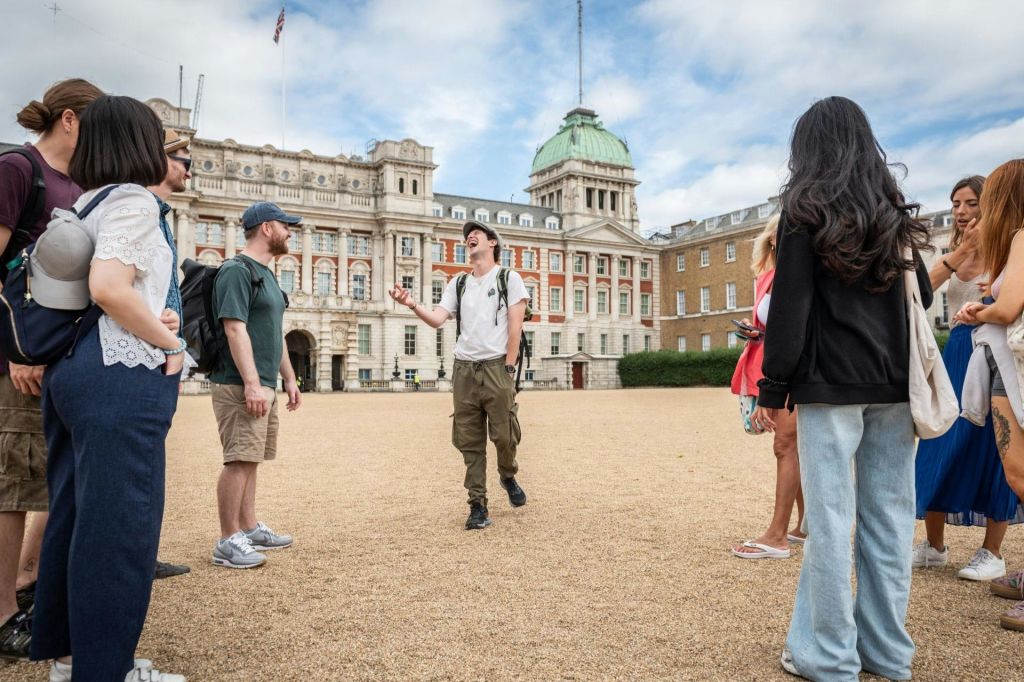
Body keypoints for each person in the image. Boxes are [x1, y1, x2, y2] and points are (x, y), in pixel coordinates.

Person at [754, 96, 932, 681]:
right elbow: (925, 293)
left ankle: (828, 656)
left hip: (829, 382)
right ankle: (887, 653)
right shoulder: (891, 208)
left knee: (830, 523)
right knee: (889, 521)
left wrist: (773, 385)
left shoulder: (804, 206)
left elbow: (791, 305)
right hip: (894, 381)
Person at [30, 95, 187, 681]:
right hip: (118, 375)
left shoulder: (85, 201)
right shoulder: (134, 201)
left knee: (75, 515)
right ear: (138, 143)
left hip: (72, 369)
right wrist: (172, 344)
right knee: (122, 526)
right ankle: (105, 670)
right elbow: (108, 287)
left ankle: (71, 658)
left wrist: (152, 313)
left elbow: (106, 293)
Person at [0, 78, 102, 660]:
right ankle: (2, 617)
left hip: (55, 355)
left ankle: (29, 584)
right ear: (69, 119)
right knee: (12, 488)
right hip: (18, 357)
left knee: (44, 479)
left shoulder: (79, 185)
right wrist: (15, 352)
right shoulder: (19, 169)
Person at [913, 175, 1019, 581]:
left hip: (993, 352)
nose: (961, 211)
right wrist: (962, 251)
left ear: (989, 205)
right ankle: (934, 545)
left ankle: (992, 552)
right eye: (956, 203)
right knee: (937, 441)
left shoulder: (1008, 249)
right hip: (956, 352)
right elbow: (920, 291)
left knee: (992, 447)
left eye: (971, 203)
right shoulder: (956, 251)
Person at [389, 220, 527, 530]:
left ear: (493, 242)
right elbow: (437, 319)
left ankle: (508, 474)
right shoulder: (458, 283)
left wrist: (509, 367)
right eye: (467, 235)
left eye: (477, 233)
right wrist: (411, 304)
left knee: (505, 436)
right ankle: (477, 505)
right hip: (464, 369)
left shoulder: (509, 278)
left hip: (496, 367)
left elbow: (516, 326)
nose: (470, 237)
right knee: (469, 441)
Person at [210, 201, 301, 570]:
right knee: (238, 459)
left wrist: (289, 377)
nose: (290, 232)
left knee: (252, 459)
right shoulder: (236, 270)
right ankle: (227, 539)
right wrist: (251, 384)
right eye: (285, 225)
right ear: (266, 228)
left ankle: (248, 527)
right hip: (238, 383)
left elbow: (274, 333)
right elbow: (234, 328)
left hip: (264, 382)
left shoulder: (268, 274)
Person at [953, 159, 1024, 631]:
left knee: (1019, 471)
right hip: (1007, 359)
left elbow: (1010, 307)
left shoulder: (1021, 237)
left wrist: (980, 310)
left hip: (1014, 360)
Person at [730, 215, 805, 559]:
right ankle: (804, 525)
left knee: (785, 444)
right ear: (772, 239)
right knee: (793, 446)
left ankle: (777, 536)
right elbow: (774, 325)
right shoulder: (766, 278)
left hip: (799, 368)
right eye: (782, 231)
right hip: (774, 366)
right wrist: (754, 331)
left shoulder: (802, 274)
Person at [145, 128, 195, 582]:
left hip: (158, 352)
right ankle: (31, 576)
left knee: (149, 462)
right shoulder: (135, 209)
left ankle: (141, 550)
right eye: (184, 161)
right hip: (141, 352)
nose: (189, 171)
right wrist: (171, 343)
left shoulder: (159, 214)